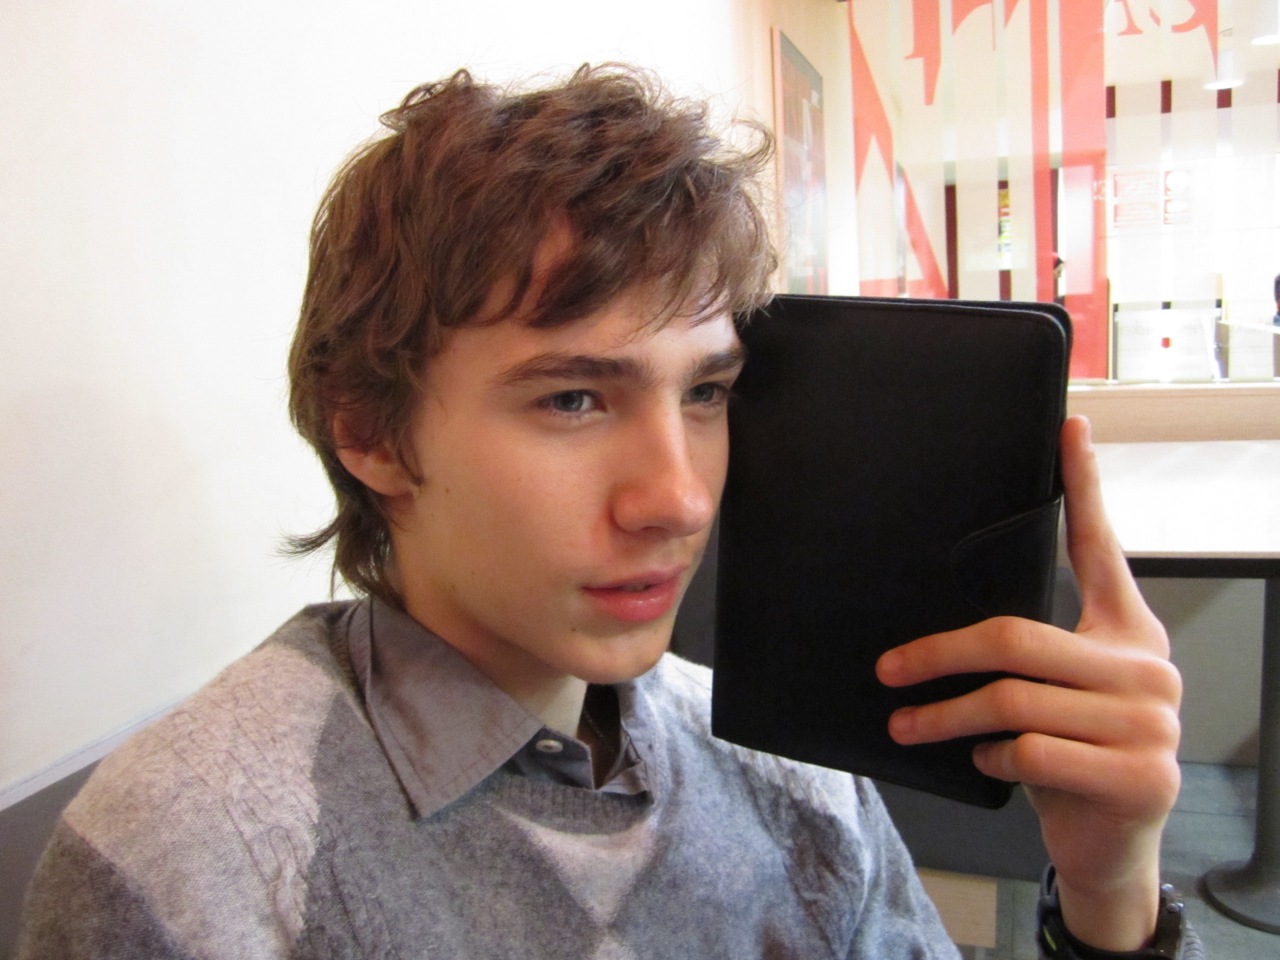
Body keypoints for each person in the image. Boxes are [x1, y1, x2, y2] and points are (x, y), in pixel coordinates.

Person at [17, 65, 1197, 959]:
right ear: (370, 429)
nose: (677, 500)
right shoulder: (201, 852)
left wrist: (1107, 897)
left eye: (706, 393)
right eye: (573, 398)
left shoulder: (787, 775)